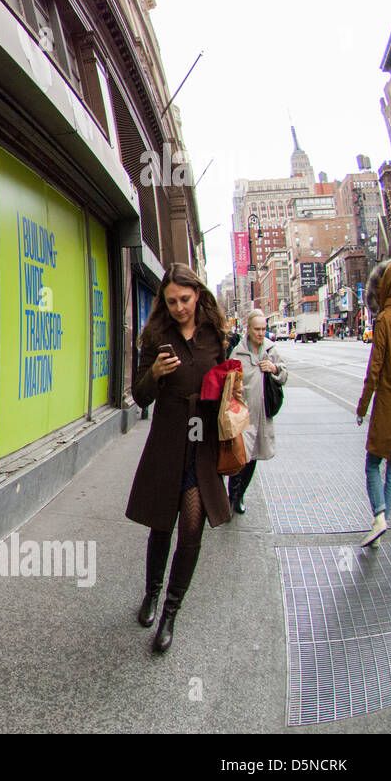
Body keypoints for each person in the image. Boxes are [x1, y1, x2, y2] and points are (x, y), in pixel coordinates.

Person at [126, 263, 240, 653]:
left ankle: (171, 613)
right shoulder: (155, 335)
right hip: (168, 439)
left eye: (185, 299)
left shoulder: (215, 334)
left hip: (202, 441)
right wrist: (155, 372)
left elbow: (224, 380)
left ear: (198, 294)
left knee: (192, 529)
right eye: (171, 301)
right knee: (161, 524)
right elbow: (140, 397)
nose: (179, 307)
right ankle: (151, 594)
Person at [226, 309, 287, 514]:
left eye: (263, 329)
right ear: (248, 329)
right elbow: (229, 382)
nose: (261, 333)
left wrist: (274, 369)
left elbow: (284, 374)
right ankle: (231, 497)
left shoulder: (271, 349)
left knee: (252, 458)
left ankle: (239, 496)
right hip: (242, 415)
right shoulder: (238, 352)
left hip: (262, 414)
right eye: (257, 329)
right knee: (239, 458)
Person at [358, 258, 391, 546]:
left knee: (373, 463)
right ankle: (382, 521)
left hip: (387, 404)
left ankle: (379, 517)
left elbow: (375, 369)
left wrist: (362, 407)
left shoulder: (384, 319)